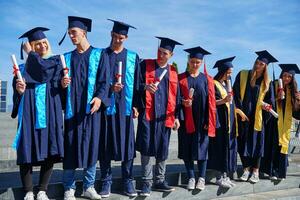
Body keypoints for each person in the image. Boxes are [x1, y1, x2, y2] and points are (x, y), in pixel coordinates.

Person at [59, 16, 109, 200]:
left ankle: (88, 186)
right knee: (70, 146)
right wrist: (62, 85)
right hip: (72, 112)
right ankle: (69, 188)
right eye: (69, 33)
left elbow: (105, 82)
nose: (71, 36)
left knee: (92, 146)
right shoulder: (65, 58)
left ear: (84, 32)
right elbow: (57, 87)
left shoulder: (99, 54)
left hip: (91, 111)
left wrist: (99, 97)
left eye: (74, 32)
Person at [12, 27, 64, 200]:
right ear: (32, 47)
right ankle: (28, 190)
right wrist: (19, 91)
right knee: (26, 149)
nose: (42, 46)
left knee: (50, 150)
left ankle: (42, 190)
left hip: (50, 114)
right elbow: (17, 95)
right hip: (29, 115)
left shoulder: (55, 63)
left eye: (44, 43)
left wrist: (64, 86)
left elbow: (44, 73)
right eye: (37, 44)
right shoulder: (21, 69)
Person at [135, 37, 181, 196]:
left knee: (163, 148)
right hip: (148, 115)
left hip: (165, 117)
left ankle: (160, 180)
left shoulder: (173, 72)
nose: (161, 55)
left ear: (171, 54)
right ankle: (146, 182)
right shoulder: (145, 65)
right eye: (159, 52)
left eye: (165, 53)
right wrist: (145, 87)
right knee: (147, 147)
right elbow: (135, 85)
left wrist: (176, 117)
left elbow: (178, 97)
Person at [99, 19, 140, 198]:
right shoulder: (101, 55)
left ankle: (127, 181)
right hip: (106, 109)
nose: (117, 40)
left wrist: (137, 105)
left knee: (128, 146)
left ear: (126, 38)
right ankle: (106, 181)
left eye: (121, 37)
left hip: (125, 109)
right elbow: (96, 83)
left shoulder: (132, 57)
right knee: (105, 144)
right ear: (111, 35)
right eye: (115, 36)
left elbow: (137, 84)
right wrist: (110, 89)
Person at [233, 50, 277, 183]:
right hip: (243, 116)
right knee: (242, 142)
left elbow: (271, 101)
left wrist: (267, 107)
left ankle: (256, 171)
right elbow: (234, 93)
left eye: (261, 64)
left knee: (258, 144)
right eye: (257, 62)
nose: (258, 65)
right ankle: (246, 169)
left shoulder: (267, 82)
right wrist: (238, 110)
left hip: (258, 118)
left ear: (265, 67)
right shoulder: (243, 74)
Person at [177, 46, 214, 191]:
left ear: (202, 62)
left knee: (202, 150)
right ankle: (191, 177)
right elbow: (174, 98)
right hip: (186, 120)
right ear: (188, 60)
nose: (195, 64)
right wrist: (182, 102)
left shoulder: (207, 79)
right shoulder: (181, 78)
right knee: (187, 149)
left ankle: (202, 178)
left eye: (198, 62)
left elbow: (211, 103)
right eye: (193, 61)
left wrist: (208, 121)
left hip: (202, 122)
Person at [261, 64, 300, 180]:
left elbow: (296, 113)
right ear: (281, 75)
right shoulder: (273, 85)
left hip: (286, 125)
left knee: (283, 146)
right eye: (285, 75)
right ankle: (272, 171)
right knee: (273, 145)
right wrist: (277, 98)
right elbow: (265, 102)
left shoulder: (293, 91)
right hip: (273, 121)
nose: (286, 78)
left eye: (289, 77)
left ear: (292, 78)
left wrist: (298, 101)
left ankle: (281, 172)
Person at [207, 57, 239, 188]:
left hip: (229, 121)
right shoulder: (213, 83)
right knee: (220, 149)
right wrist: (224, 100)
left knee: (227, 149)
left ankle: (226, 175)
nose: (230, 75)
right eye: (229, 72)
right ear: (223, 71)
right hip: (219, 121)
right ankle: (219, 177)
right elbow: (210, 102)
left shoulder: (227, 84)